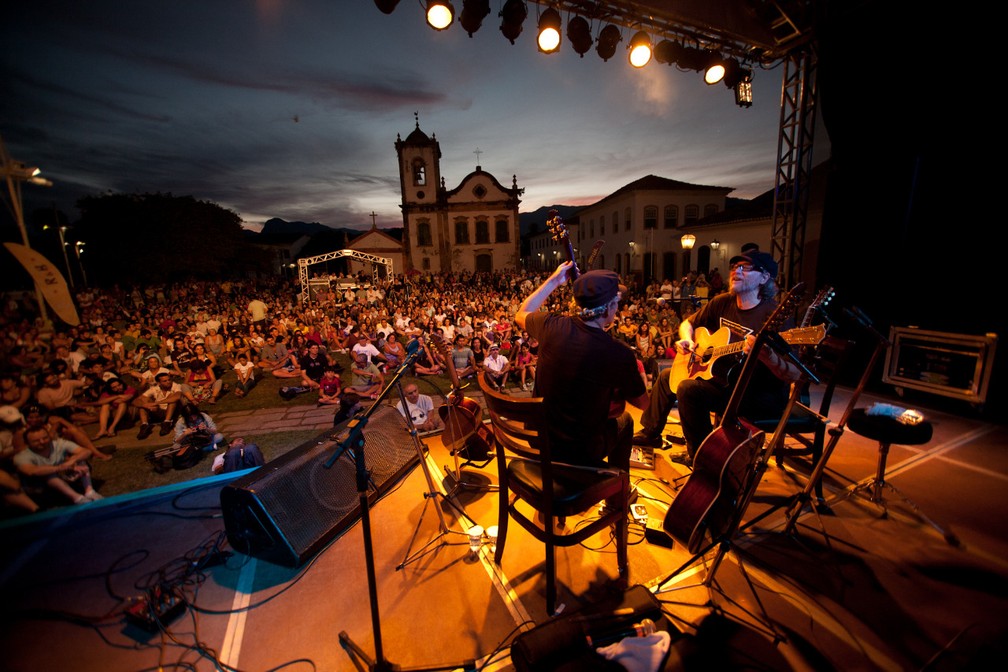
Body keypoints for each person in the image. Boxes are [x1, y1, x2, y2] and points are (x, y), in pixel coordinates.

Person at [632, 250, 802, 468]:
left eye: (746, 268)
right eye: (734, 266)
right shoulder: (723, 302)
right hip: (726, 380)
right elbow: (687, 324)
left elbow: (793, 373)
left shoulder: (775, 316)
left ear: (765, 277)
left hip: (756, 394)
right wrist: (687, 340)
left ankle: (702, 457)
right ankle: (651, 432)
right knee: (667, 376)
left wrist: (767, 356)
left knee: (688, 389)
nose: (736, 271)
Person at [514, 264, 649, 478]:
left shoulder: (551, 326)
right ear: (607, 309)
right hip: (578, 451)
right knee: (626, 421)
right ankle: (616, 498)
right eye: (616, 303)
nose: (618, 308)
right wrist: (640, 379)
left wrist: (555, 280)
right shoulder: (618, 353)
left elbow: (521, 312)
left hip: (539, 438)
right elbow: (643, 403)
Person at [14, 424, 103, 505]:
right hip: (40, 489)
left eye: (45, 438)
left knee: (80, 461)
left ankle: (90, 492)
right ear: (27, 443)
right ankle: (78, 498)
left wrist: (72, 461)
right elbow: (31, 471)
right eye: (36, 441)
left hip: (62, 479)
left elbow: (86, 451)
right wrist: (60, 468)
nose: (42, 442)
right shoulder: (22, 456)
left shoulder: (58, 444)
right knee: (49, 474)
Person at [133, 371, 183, 439]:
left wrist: (156, 403)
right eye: (165, 381)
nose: (168, 382)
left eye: (169, 380)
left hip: (172, 411)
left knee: (172, 399)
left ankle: (166, 423)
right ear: (159, 383)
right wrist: (145, 405)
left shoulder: (176, 386)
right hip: (159, 411)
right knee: (143, 402)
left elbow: (177, 397)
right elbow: (135, 401)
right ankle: (144, 425)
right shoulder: (154, 389)